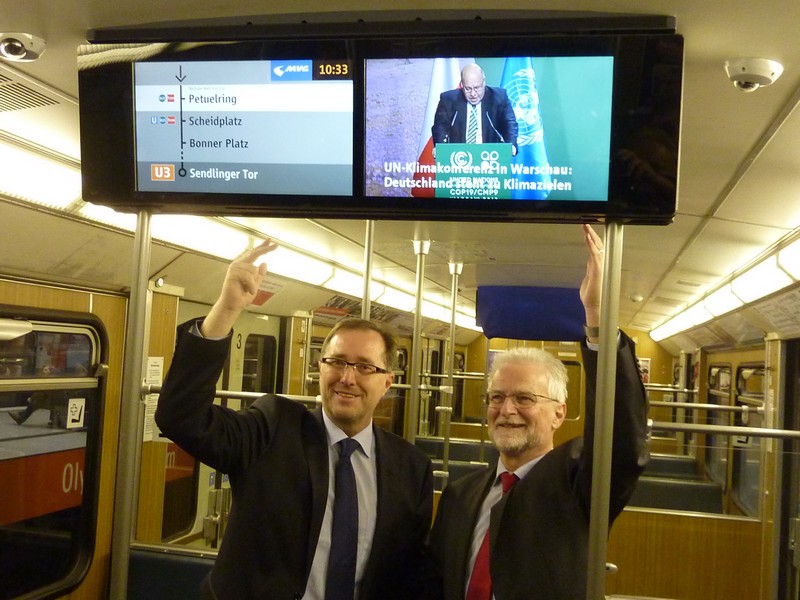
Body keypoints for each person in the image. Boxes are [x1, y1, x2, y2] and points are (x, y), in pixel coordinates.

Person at [155, 240, 433, 600]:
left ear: (388, 381)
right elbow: (181, 417)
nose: (347, 378)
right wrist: (226, 309)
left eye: (365, 367)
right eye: (337, 362)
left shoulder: (411, 469)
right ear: (320, 367)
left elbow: (411, 574)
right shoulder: (273, 428)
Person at [426, 224, 649, 600]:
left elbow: (623, 438)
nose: (506, 409)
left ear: (559, 413)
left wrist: (596, 316)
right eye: (496, 397)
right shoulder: (459, 495)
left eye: (525, 399)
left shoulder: (580, 483)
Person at [431, 63, 519, 156]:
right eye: (468, 88)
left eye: (477, 88)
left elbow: (510, 123)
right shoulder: (448, 99)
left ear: (484, 82)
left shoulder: (499, 97)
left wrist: (511, 144)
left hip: (490, 156)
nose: (473, 94)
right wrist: (439, 147)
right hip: (458, 157)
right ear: (461, 85)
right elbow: (440, 127)